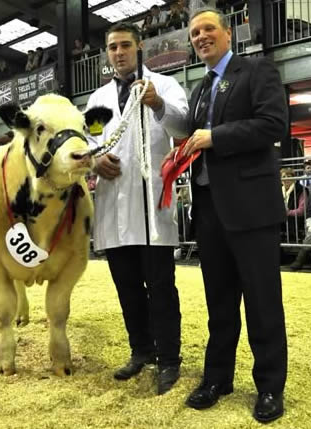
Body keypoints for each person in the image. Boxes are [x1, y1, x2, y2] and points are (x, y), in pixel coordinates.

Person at [179, 8, 288, 422]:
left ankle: (269, 389)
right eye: (194, 33)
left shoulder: (257, 70)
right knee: (219, 303)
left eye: (208, 29)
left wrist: (215, 137)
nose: (201, 36)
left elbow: (273, 124)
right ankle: (217, 378)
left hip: (251, 209)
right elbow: (197, 139)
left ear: (229, 33)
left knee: (263, 303)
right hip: (208, 209)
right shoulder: (199, 88)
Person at [85, 22, 189, 395]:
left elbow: (184, 125)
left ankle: (169, 359)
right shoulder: (97, 98)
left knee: (161, 287)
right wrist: (94, 162)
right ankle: (140, 349)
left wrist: (157, 103)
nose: (119, 52)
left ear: (139, 47)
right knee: (127, 286)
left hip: (152, 207)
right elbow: (89, 142)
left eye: (125, 45)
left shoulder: (164, 85)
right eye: (112, 47)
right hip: (114, 205)